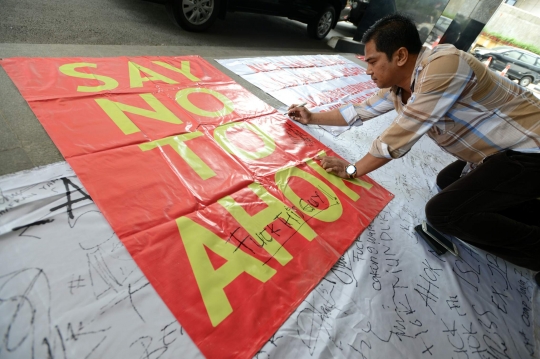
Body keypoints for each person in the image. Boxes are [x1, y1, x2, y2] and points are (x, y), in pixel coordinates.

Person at [288, 14, 540, 283]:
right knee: (447, 181)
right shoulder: (399, 88)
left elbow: (401, 134)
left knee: (444, 213)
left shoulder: (445, 65)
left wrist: (353, 169)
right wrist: (312, 117)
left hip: (530, 150)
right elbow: (359, 112)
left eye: (373, 61)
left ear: (399, 56)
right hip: (497, 156)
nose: (368, 71)